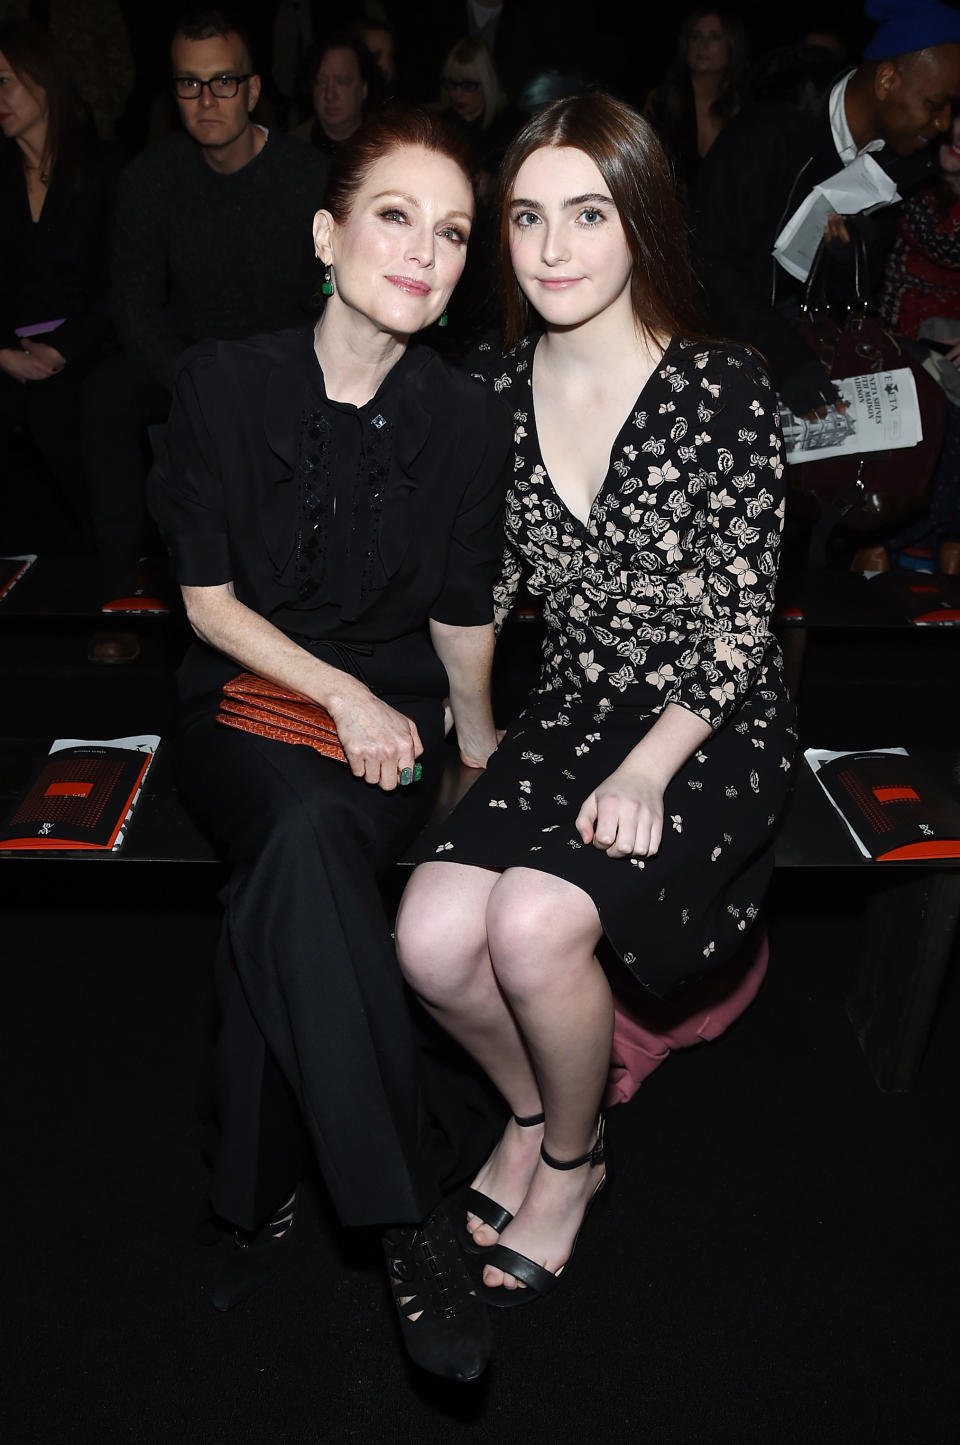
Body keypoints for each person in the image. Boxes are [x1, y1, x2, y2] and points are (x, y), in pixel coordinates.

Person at [395, 92, 797, 1305]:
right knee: (429, 939)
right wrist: (466, 733)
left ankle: (572, 1157)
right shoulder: (493, 389)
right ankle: (529, 1108)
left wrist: (650, 764)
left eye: (588, 212)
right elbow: (479, 584)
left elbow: (736, 626)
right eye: (526, 217)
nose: (554, 248)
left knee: (528, 924)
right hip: (572, 705)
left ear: (643, 225)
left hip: (708, 716)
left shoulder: (725, 386)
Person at [149, 106, 513, 1380]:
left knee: (286, 883)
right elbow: (205, 603)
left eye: (454, 232)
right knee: (295, 828)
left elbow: (464, 613)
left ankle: (251, 1190)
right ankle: (407, 1204)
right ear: (327, 232)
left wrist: (475, 754)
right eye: (395, 216)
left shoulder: (469, 419)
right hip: (249, 699)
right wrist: (340, 697)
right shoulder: (220, 381)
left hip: (399, 726)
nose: (425, 251)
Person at [80, 7, 328, 659]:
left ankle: (303, 610)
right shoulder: (152, 178)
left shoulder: (305, 176)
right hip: (187, 364)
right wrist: (191, 375)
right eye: (190, 84)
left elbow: (330, 295)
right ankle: (121, 592)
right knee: (105, 396)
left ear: (251, 89)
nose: (206, 99)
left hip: (284, 364)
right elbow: (133, 304)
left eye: (222, 82)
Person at [693, 0, 960, 422]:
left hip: (801, 351)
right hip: (718, 357)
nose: (945, 123)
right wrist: (784, 358)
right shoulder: (768, 132)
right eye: (935, 104)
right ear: (887, 81)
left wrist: (850, 256)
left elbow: (854, 284)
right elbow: (706, 263)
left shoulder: (900, 163)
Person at [0, 19, 118, 527]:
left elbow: (121, 286)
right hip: (9, 350)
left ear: (42, 81)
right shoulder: (1, 174)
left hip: (84, 349)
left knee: (70, 415)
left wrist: (63, 348)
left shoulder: (103, 171)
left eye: (4, 80)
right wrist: (2, 353)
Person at [644, 6, 747, 196]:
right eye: (696, 37)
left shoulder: (744, 106)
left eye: (714, 37)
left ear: (732, 45)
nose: (703, 44)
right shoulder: (662, 101)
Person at [290, 34, 379, 157]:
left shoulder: (386, 145)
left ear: (363, 89)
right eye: (321, 82)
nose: (330, 95)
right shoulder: (290, 149)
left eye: (342, 82)